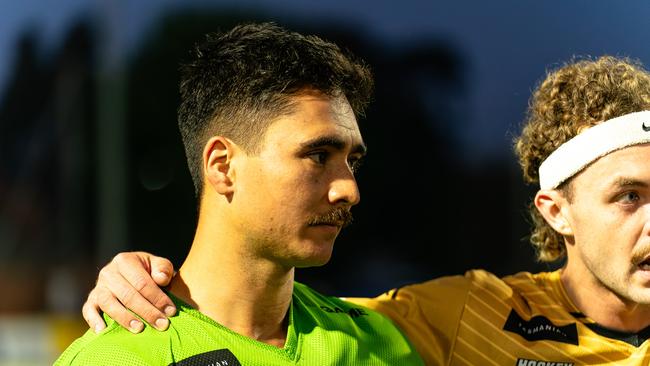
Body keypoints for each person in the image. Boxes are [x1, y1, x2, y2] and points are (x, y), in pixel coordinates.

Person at [86, 54, 650, 365]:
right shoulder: (454, 320)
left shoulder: (361, 340)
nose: (349, 189)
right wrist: (135, 278)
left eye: (352, 160)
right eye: (629, 196)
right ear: (556, 212)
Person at [55, 22, 425, 365]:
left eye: (352, 161)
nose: (349, 190)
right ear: (222, 166)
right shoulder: (115, 357)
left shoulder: (383, 344)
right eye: (318, 156)